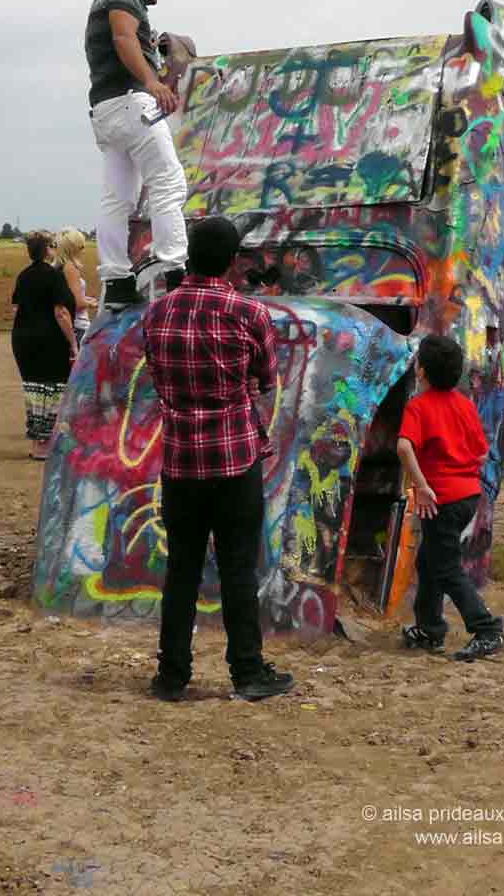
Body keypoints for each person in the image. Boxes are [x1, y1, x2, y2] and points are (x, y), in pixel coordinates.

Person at [142, 216, 294, 702]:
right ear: (233, 262)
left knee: (181, 571)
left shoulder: (157, 313)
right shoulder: (248, 313)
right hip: (234, 462)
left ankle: (171, 675)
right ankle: (247, 671)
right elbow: (268, 379)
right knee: (237, 569)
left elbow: (156, 377)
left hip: (181, 460)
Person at [85, 0, 188, 309]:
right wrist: (153, 81)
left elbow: (125, 41)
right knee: (168, 182)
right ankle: (177, 275)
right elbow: (123, 37)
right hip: (131, 103)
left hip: (105, 109)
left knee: (117, 198)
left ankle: (116, 282)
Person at [396, 334, 504, 661]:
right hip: (467, 497)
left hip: (439, 500)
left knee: (446, 569)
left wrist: (423, 485)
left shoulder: (418, 406)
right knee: (429, 562)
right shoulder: (464, 405)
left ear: (421, 371)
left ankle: (486, 629)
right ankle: (429, 629)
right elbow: (482, 454)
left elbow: (404, 447)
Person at [11, 232, 78, 461]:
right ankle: (44, 446)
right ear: (48, 249)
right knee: (52, 390)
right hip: (49, 340)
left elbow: (16, 309)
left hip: (23, 339)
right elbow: (61, 313)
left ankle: (36, 443)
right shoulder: (54, 277)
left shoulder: (23, 276)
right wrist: (73, 342)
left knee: (34, 391)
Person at [54, 227, 98, 346]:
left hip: (67, 326)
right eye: (81, 247)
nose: (83, 251)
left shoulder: (57, 267)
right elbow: (77, 303)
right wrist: (91, 303)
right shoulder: (70, 268)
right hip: (79, 326)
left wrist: (86, 299)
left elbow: (67, 297)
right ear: (73, 249)